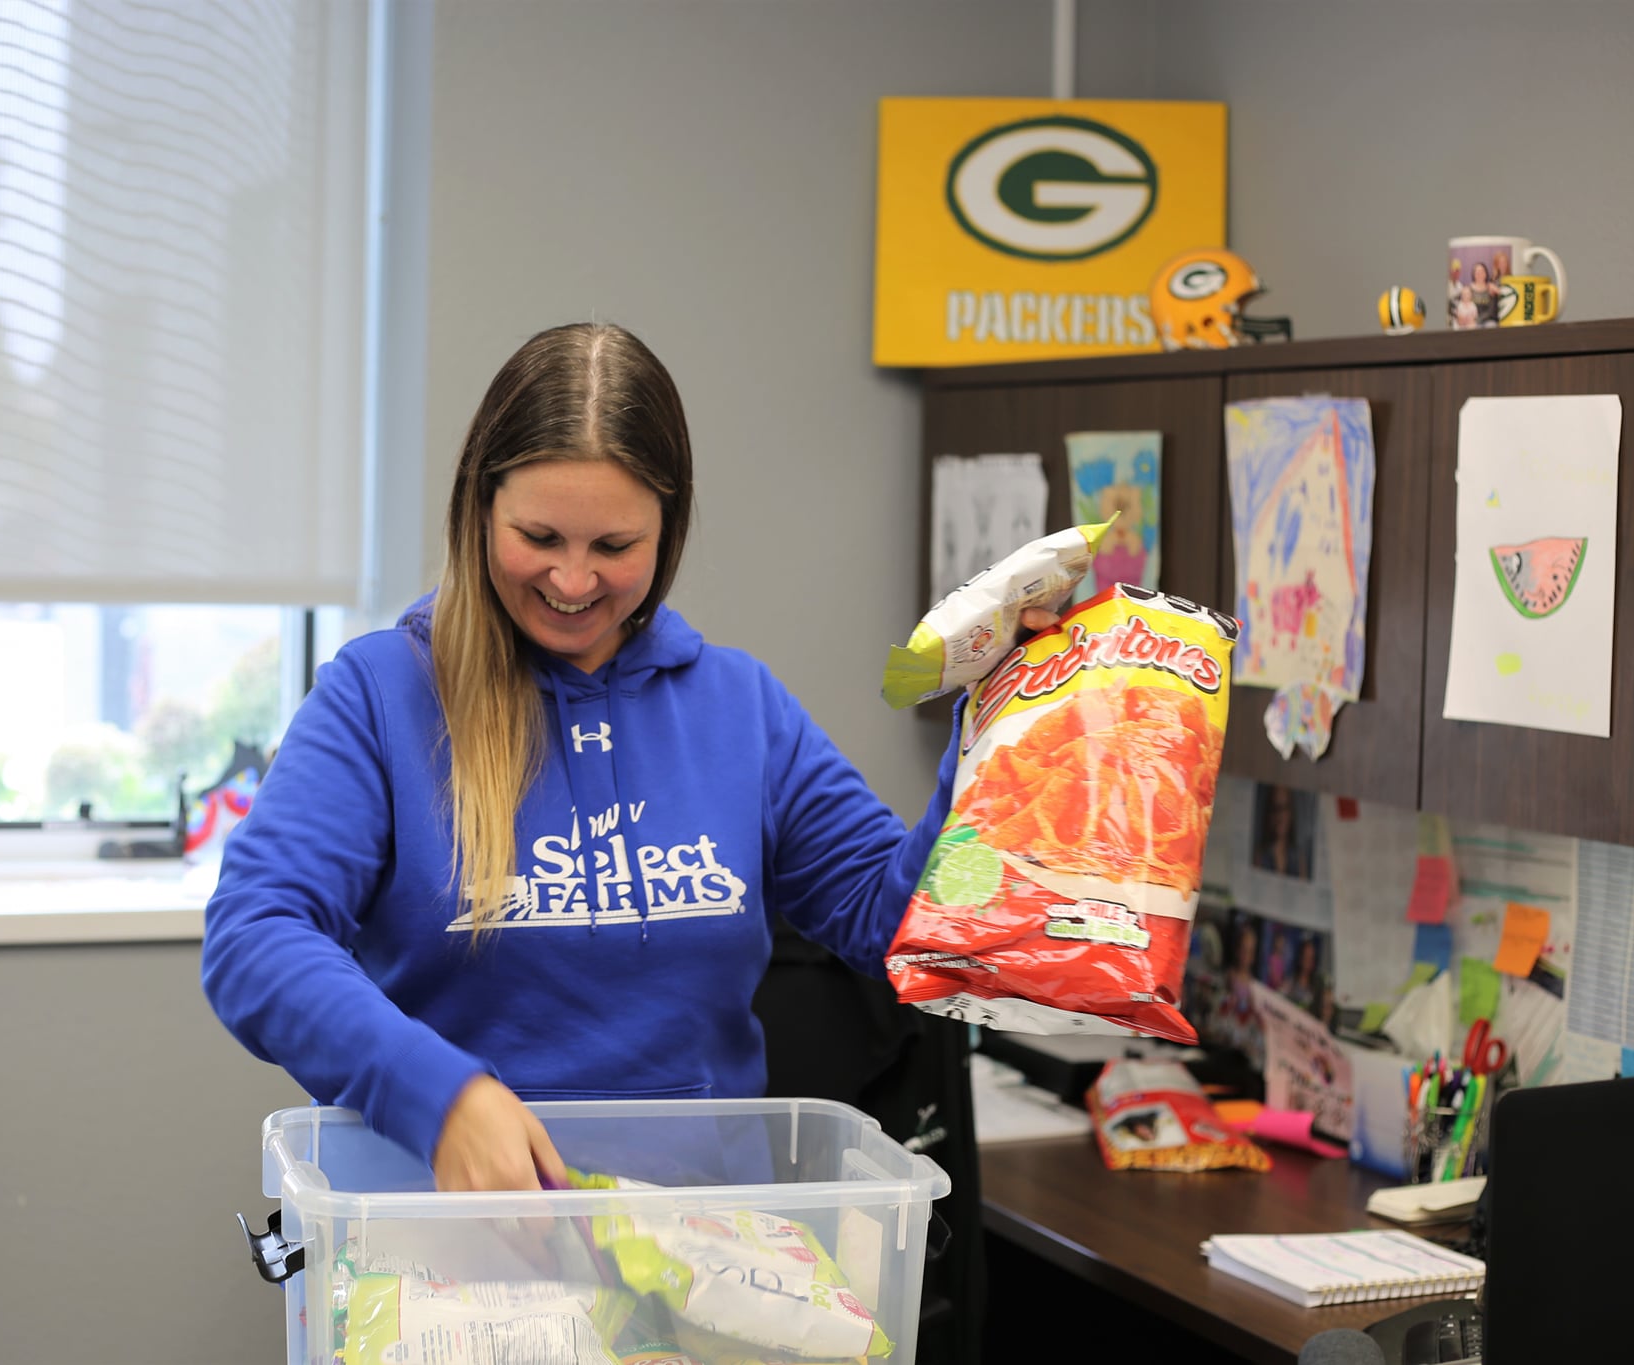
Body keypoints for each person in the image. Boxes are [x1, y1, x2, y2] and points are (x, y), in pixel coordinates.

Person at [200, 322, 1054, 1193]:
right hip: (450, 1254)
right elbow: (254, 936)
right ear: (479, 508)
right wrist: (438, 1095)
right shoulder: (379, 695)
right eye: (540, 537)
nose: (573, 582)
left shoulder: (739, 706)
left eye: (614, 547)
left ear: (669, 529)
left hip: (701, 1257)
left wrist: (997, 720)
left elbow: (898, 921)